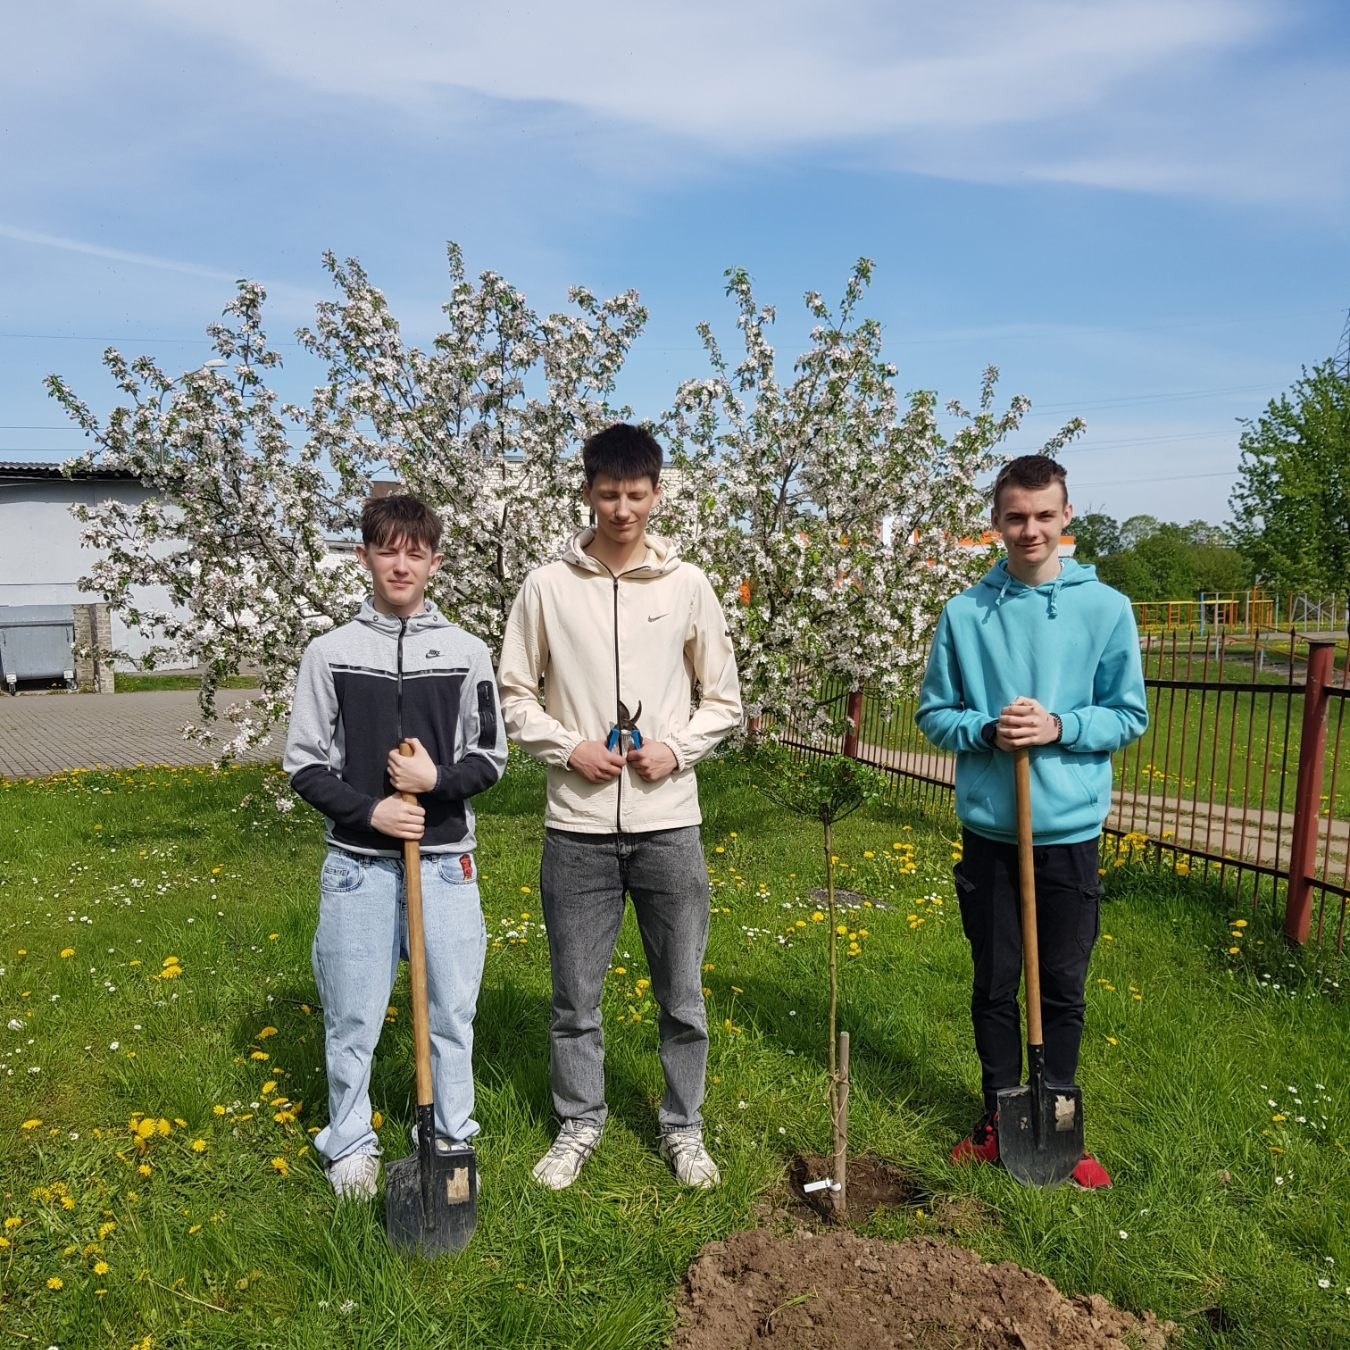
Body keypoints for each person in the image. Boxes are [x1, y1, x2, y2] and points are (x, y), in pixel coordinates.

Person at [498, 422, 742, 1191]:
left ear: (657, 494)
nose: (623, 509)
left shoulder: (688, 585)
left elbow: (724, 700)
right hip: (577, 827)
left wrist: (677, 748)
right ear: (587, 493)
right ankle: (580, 1122)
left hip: (669, 823)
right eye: (610, 494)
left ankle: (684, 1126)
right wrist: (567, 748)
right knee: (575, 994)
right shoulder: (546, 587)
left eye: (638, 495)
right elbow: (512, 695)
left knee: (683, 993)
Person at [916, 454, 1147, 1189]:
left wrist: (1059, 726)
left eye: (1044, 515)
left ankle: (1064, 1126)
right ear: (996, 522)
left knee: (1064, 987)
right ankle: (998, 1118)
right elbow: (933, 714)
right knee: (996, 981)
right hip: (992, 833)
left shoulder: (1105, 609)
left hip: (1069, 834)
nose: (1030, 530)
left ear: (1066, 516)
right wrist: (987, 731)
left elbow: (1128, 714)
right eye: (1015, 516)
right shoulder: (964, 614)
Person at [284, 494, 506, 1199]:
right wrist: (373, 811)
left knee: (451, 1011)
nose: (400, 564)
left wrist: (433, 780)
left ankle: (449, 1138)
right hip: (358, 867)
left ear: (434, 563)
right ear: (364, 557)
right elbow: (304, 763)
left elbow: (491, 758)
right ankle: (349, 1141)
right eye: (388, 549)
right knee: (352, 1013)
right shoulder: (331, 654)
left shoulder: (469, 653)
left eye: (416, 552)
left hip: (446, 868)